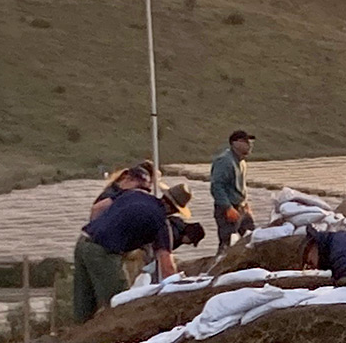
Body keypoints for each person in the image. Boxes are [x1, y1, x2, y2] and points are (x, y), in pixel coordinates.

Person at [74, 181, 188, 322]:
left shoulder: (134, 194)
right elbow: (167, 266)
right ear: (174, 210)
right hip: (103, 252)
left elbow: (98, 208)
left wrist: (101, 230)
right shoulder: (161, 223)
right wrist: (176, 291)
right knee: (120, 304)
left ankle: (78, 331)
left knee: (83, 304)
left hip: (83, 241)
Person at [211, 130, 256, 254]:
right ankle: (220, 263)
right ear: (235, 143)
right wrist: (227, 207)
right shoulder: (225, 161)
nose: (250, 145)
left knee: (251, 238)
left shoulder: (242, 162)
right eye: (246, 141)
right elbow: (217, 186)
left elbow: (241, 186)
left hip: (241, 207)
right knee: (228, 243)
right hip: (228, 208)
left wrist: (246, 204)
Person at [89, 162, 154, 221]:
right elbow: (96, 210)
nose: (143, 192)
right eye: (140, 188)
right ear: (129, 179)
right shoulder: (112, 197)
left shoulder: (119, 192)